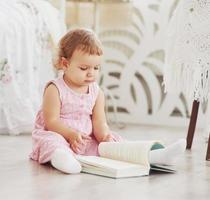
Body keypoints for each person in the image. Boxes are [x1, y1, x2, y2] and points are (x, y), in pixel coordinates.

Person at [30, 28, 186, 174]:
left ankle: (156, 156)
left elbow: (99, 122)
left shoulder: (96, 92)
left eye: (96, 68)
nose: (91, 74)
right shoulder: (55, 89)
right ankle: (62, 159)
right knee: (51, 142)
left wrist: (104, 136)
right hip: (60, 134)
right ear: (65, 64)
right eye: (84, 68)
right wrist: (70, 134)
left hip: (86, 139)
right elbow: (51, 121)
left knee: (115, 143)